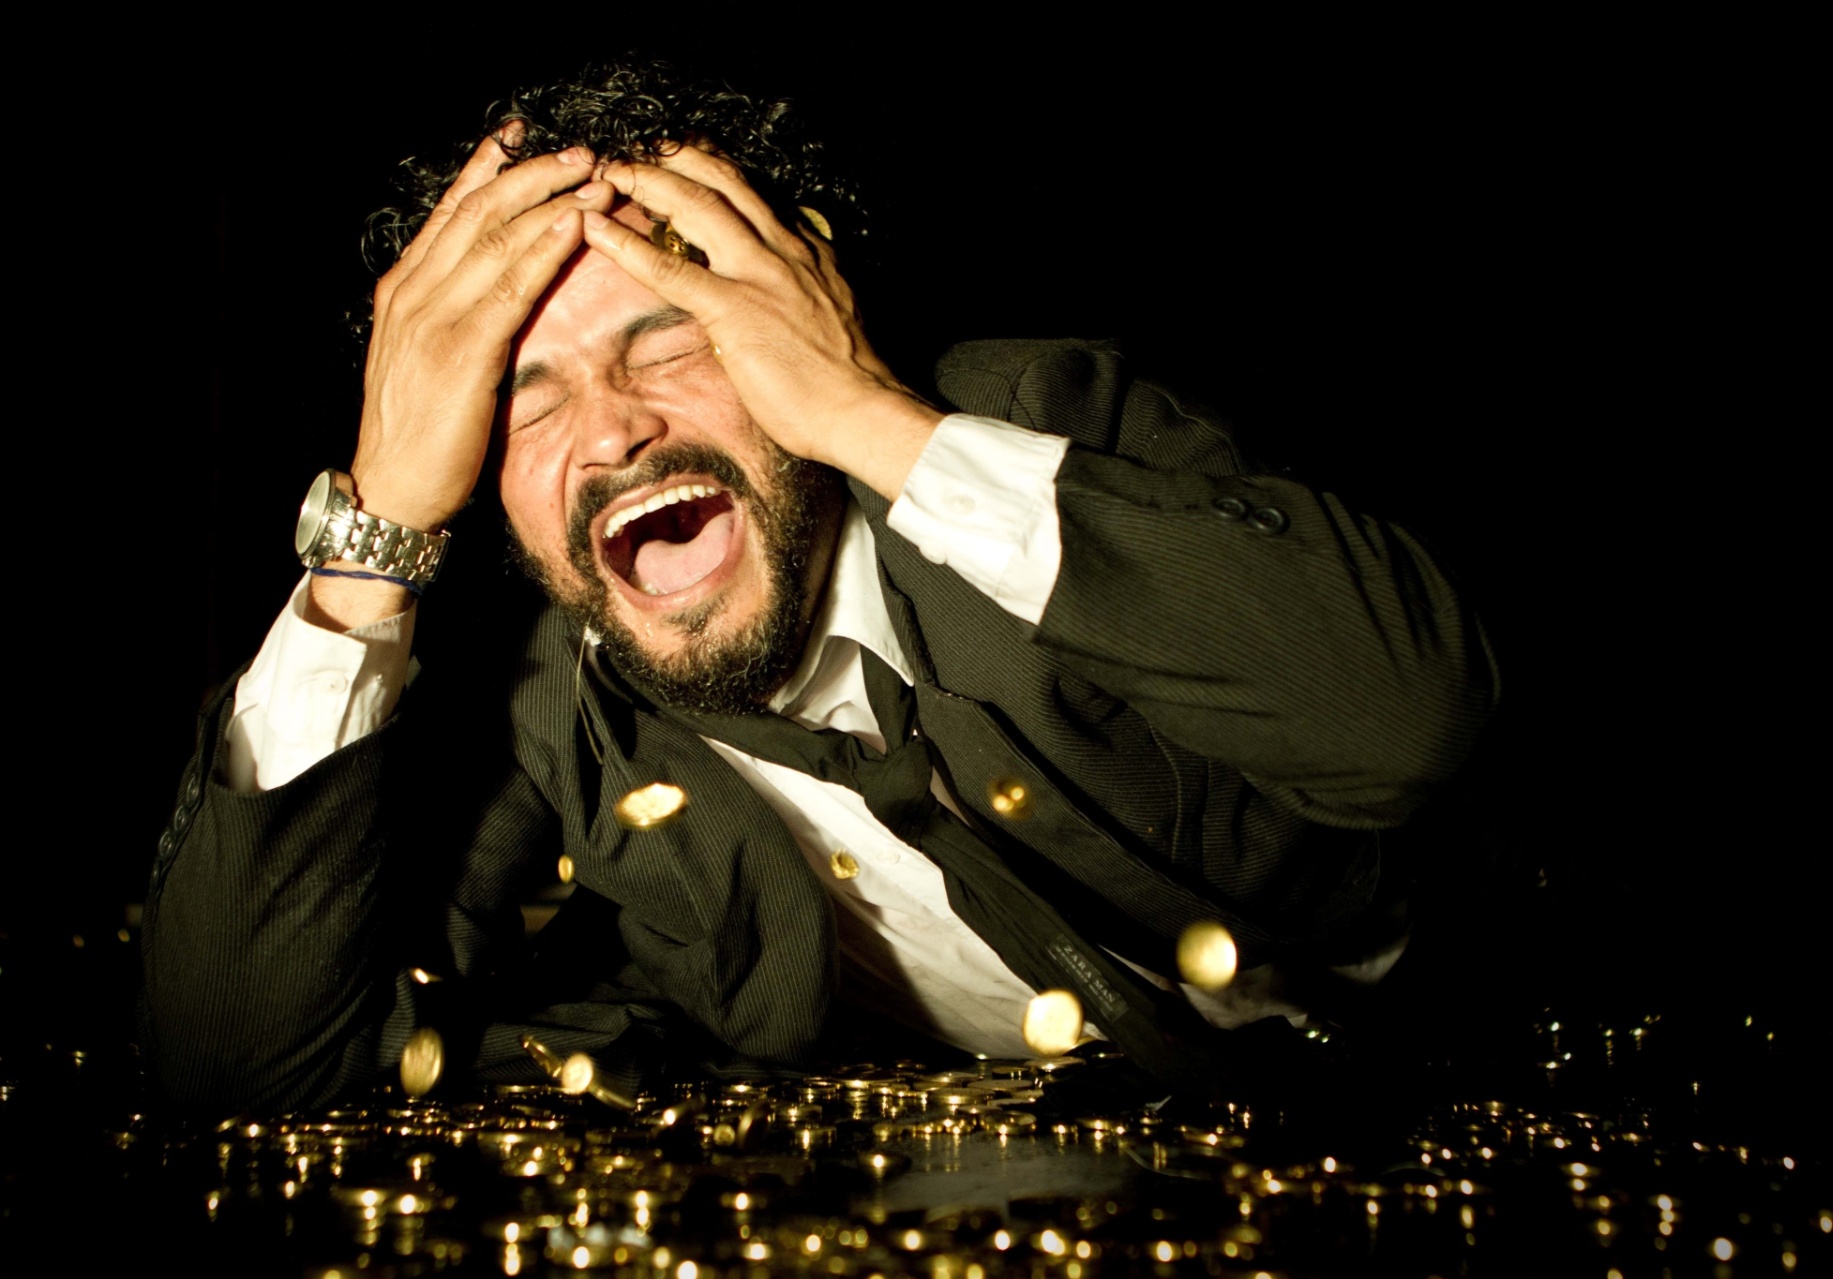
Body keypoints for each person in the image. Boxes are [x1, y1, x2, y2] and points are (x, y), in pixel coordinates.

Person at [142, 60, 1498, 1116]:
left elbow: (1409, 724)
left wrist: (864, 416)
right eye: (523, 403)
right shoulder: (548, 708)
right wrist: (370, 532)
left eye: (668, 339)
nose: (609, 430)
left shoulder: (1038, 420)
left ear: (791, 313)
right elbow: (236, 1066)